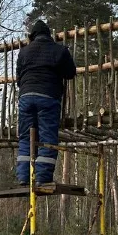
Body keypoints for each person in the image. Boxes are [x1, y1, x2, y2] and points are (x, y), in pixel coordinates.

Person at [16, 20, 77, 186]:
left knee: (25, 136)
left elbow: (18, 78)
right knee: (47, 136)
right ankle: (42, 177)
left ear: (33, 36)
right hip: (48, 96)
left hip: (26, 96)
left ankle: (23, 176)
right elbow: (70, 72)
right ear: (49, 35)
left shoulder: (24, 52)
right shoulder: (59, 50)